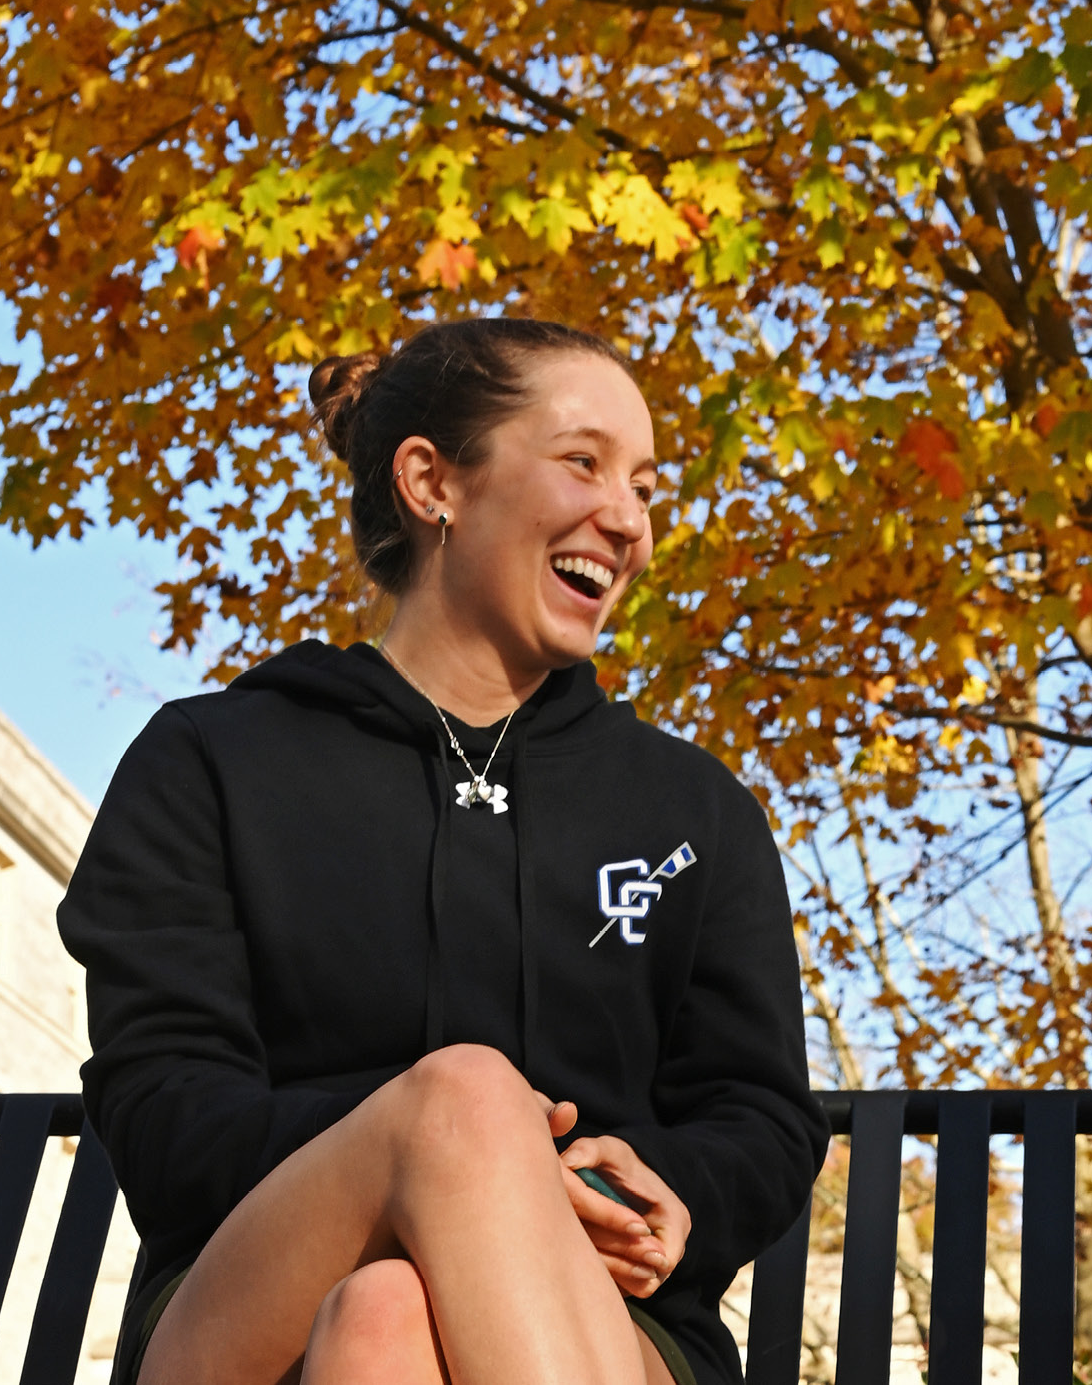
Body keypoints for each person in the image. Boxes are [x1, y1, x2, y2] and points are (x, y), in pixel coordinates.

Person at [59, 319, 824, 1385]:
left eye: (645, 487)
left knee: (384, 1319)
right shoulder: (211, 760)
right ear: (432, 483)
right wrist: (443, 1152)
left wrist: (661, 1183)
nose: (628, 519)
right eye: (583, 462)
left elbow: (760, 1116)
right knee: (464, 1103)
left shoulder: (696, 810)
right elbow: (166, 1115)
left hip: (610, 1319)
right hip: (245, 1310)